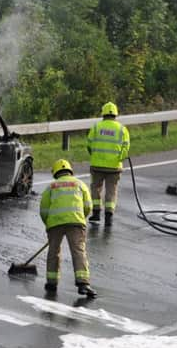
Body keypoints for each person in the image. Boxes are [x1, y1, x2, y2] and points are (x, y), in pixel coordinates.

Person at [40, 159, 97, 298]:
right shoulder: (80, 184)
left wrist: (49, 224)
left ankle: (52, 283)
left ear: (56, 173)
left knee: (53, 252)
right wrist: (81, 217)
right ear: (70, 171)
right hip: (76, 222)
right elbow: (88, 205)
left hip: (55, 224)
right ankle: (83, 283)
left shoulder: (51, 187)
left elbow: (44, 209)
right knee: (78, 251)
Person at [87, 102, 130, 226]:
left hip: (97, 165)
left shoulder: (96, 127)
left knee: (96, 188)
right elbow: (126, 148)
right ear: (116, 114)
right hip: (114, 167)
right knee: (111, 190)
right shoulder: (122, 129)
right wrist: (119, 159)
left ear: (103, 113)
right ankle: (109, 217)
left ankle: (96, 214)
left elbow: (89, 145)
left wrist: (94, 155)